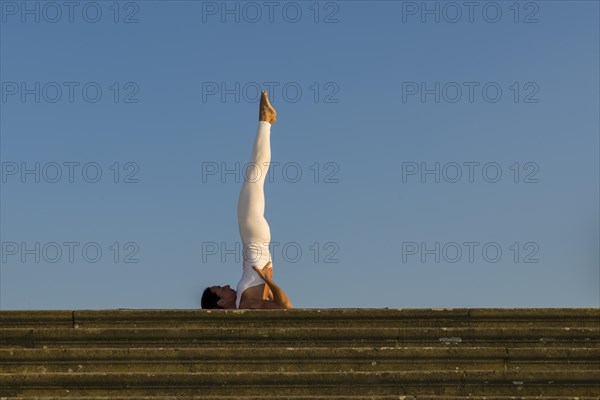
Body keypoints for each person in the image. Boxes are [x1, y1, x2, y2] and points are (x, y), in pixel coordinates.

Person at [201, 90, 293, 310]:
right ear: (222, 302)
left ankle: (266, 121)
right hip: (255, 238)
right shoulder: (246, 305)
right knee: (254, 177)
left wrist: (268, 281)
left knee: (255, 177)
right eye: (219, 289)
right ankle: (265, 120)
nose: (224, 285)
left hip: (255, 241)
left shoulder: (246, 303)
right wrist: (268, 279)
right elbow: (286, 308)